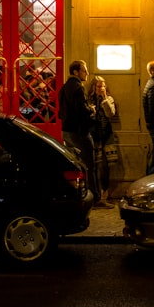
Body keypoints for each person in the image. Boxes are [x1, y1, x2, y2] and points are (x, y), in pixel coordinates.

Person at [58, 60, 102, 205]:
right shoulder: (77, 87)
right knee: (89, 164)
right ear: (76, 72)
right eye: (84, 70)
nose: (87, 73)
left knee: (76, 165)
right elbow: (81, 111)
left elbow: (61, 112)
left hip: (67, 130)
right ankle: (94, 197)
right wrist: (92, 110)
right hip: (79, 132)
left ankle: (79, 194)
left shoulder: (64, 87)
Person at [86, 75, 117, 204]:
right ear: (94, 87)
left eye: (103, 86)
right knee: (96, 165)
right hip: (94, 135)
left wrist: (104, 99)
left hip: (106, 135)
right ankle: (96, 194)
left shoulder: (109, 99)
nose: (101, 88)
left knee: (106, 165)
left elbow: (111, 113)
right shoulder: (88, 100)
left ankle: (105, 192)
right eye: (99, 86)